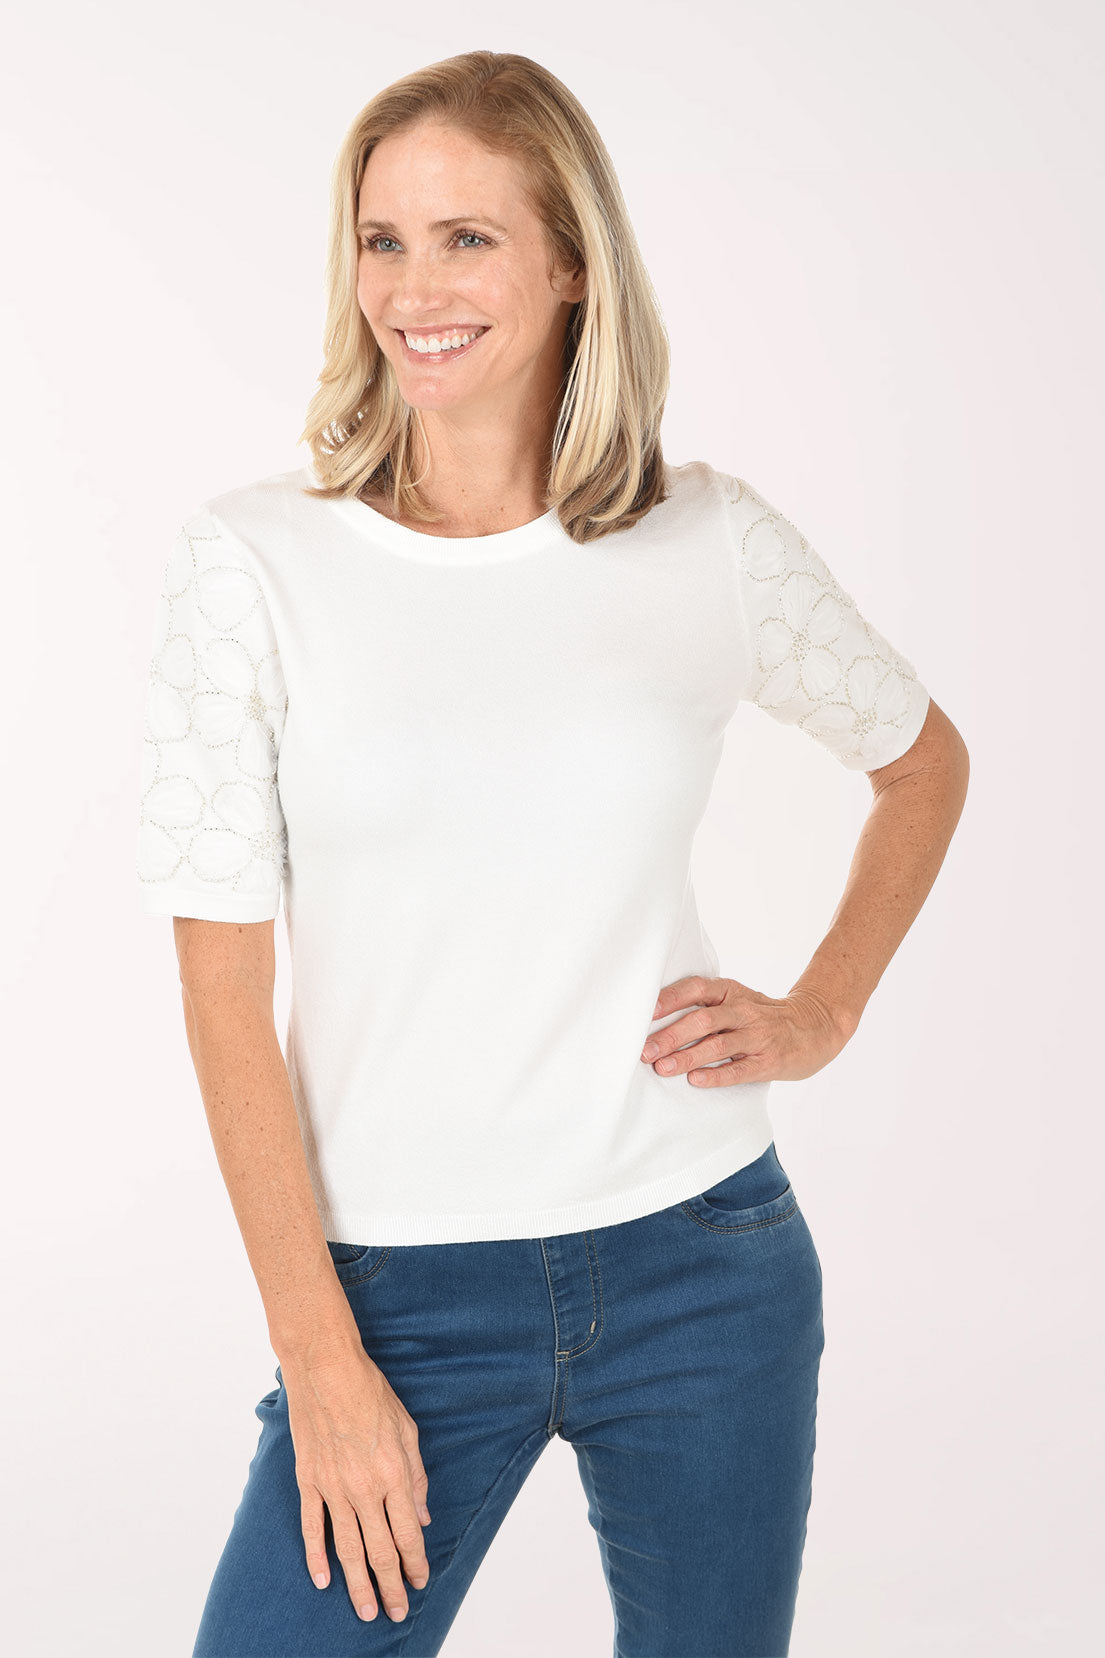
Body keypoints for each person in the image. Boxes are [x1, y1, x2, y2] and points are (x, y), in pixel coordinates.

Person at [135, 49, 969, 1658]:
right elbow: (223, 987)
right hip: (393, 1302)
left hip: (704, 1262)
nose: (414, 288)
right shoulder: (254, 564)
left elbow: (920, 763)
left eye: (466, 238)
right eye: (383, 240)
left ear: (569, 260)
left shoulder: (706, 539)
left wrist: (821, 1008)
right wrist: (320, 1354)